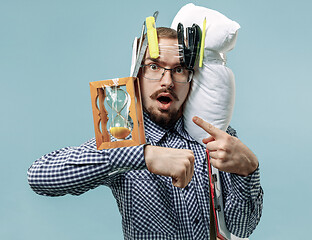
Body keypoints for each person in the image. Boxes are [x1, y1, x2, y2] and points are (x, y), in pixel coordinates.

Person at [28, 27, 263, 240]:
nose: (167, 81)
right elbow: (40, 177)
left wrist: (250, 170)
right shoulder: (125, 140)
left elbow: (242, 228)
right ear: (137, 76)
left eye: (179, 69)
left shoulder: (216, 136)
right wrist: (143, 156)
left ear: (192, 79)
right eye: (154, 67)